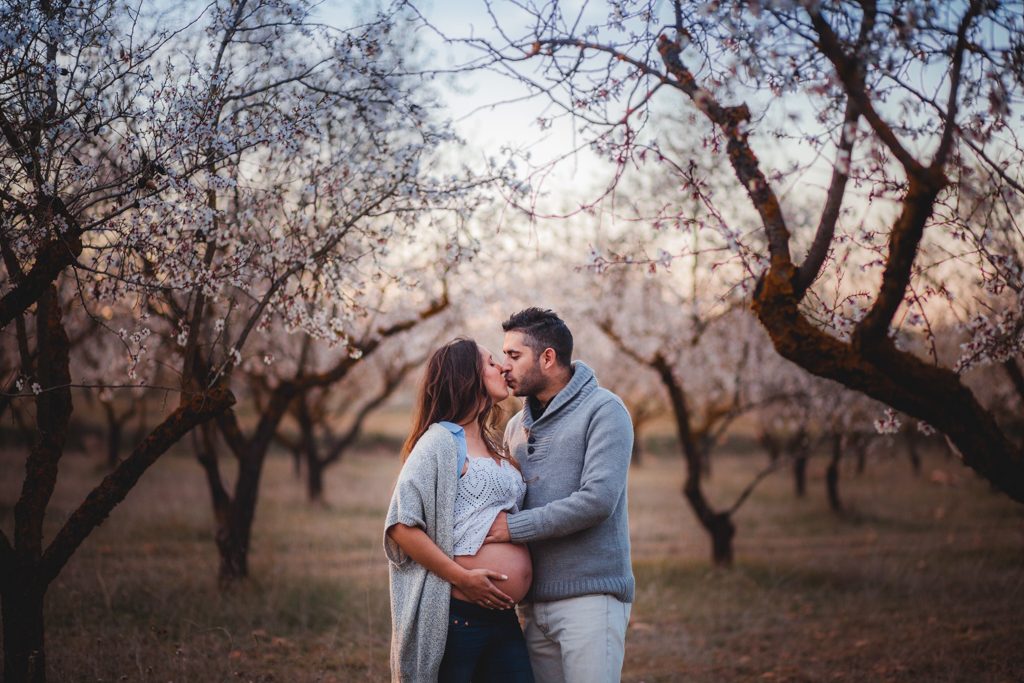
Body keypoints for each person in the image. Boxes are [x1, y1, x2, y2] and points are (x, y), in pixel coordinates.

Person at [486, 308, 634, 683]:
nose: (505, 366)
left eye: (514, 356)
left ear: (547, 357)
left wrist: (514, 529)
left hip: (591, 599)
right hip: (532, 603)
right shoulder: (517, 426)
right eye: (503, 356)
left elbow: (597, 501)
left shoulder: (605, 410)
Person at [384, 338, 535, 683]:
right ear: (468, 376)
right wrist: (463, 578)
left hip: (503, 616)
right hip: (459, 616)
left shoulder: (493, 442)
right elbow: (400, 526)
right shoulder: (439, 441)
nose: (502, 368)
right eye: (491, 362)